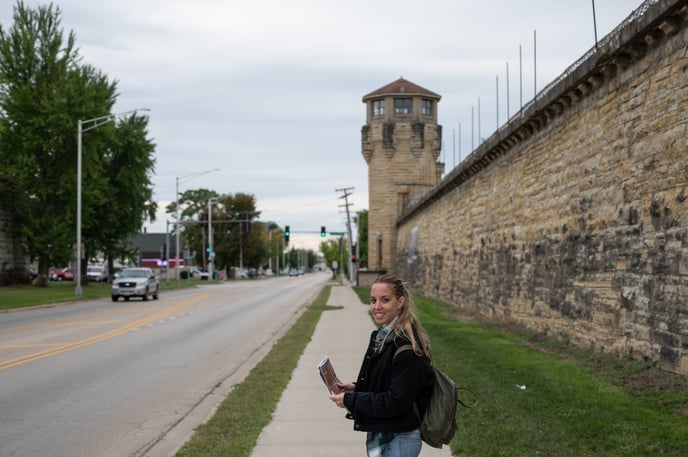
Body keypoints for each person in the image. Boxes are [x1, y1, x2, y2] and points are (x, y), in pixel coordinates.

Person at [329, 274, 435, 457]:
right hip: (385, 433)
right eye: (373, 300)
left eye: (385, 300)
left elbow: (395, 402)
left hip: (399, 439)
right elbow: (387, 384)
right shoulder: (383, 337)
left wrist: (350, 400)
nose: (377, 307)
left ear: (400, 302)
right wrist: (355, 389)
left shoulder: (406, 347)